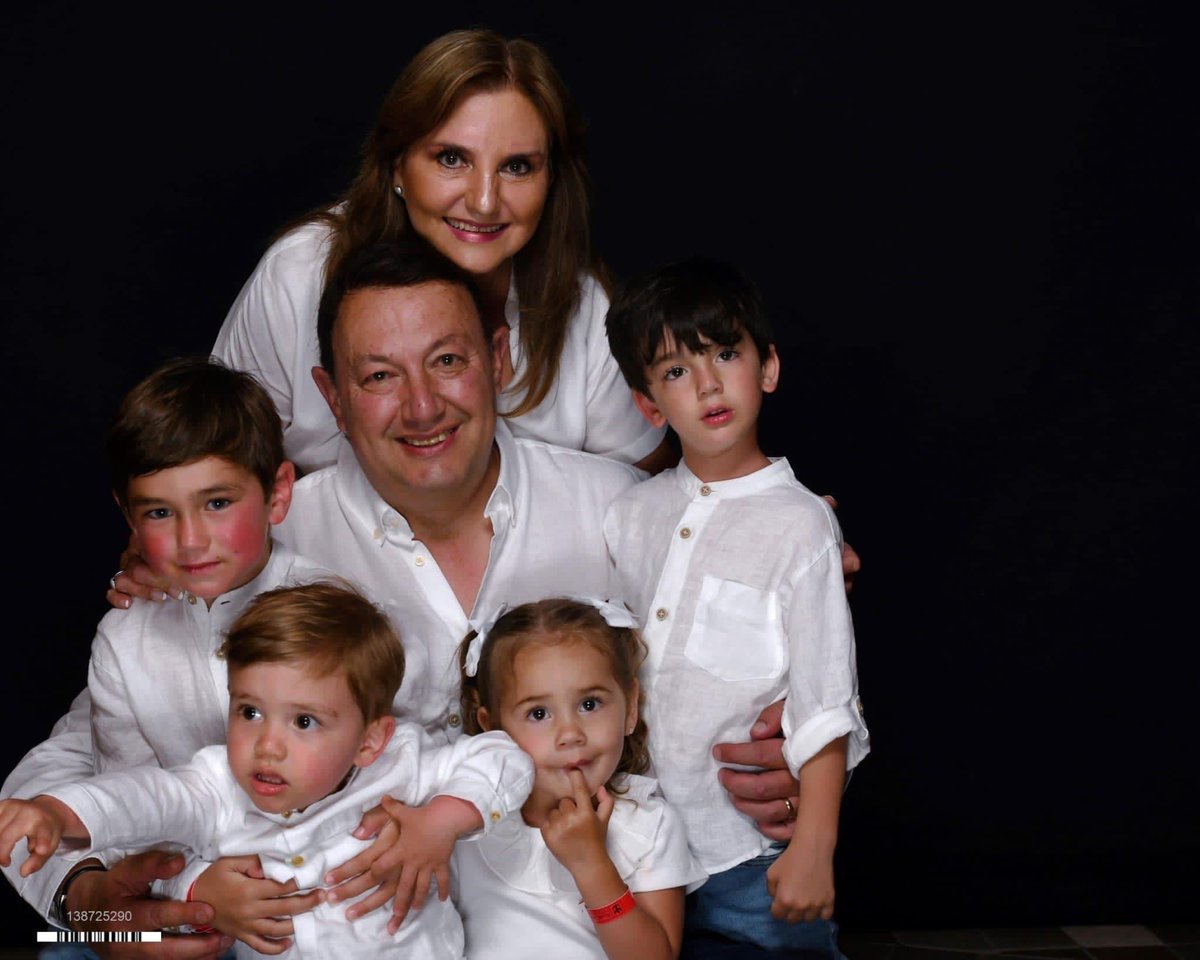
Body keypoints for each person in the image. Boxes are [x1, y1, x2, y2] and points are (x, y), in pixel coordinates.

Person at [213, 27, 668, 477]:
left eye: (516, 167)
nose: (484, 201)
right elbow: (208, 470)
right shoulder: (299, 276)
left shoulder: (583, 306)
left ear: (552, 180)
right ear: (397, 164)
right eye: (452, 159)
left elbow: (652, 492)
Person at [0, 356, 337, 957]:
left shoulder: (335, 615)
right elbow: (132, 811)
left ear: (278, 493)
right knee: (63, 947)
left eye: (217, 503)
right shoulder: (123, 641)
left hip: (320, 898)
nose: (190, 539)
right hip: (186, 901)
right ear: (127, 516)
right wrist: (197, 887)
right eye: (159, 512)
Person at [0, 581, 535, 959]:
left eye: (304, 721)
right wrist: (58, 811)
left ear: (369, 740)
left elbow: (505, 758)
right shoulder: (217, 786)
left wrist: (441, 822)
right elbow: (145, 798)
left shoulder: (401, 765)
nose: (267, 746)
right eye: (249, 712)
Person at [603, 257, 871, 956]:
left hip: (745, 857)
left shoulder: (801, 524)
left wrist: (813, 847)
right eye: (676, 370)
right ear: (649, 405)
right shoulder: (628, 516)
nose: (708, 384)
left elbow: (824, 701)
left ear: (768, 367)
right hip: (636, 845)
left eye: (725, 354)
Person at [454, 597, 705, 959]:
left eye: (590, 704)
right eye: (538, 713)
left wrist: (592, 865)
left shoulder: (650, 826)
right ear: (493, 729)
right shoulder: (467, 819)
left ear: (630, 708)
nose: (570, 733)